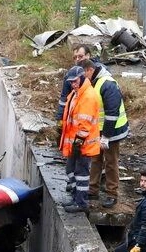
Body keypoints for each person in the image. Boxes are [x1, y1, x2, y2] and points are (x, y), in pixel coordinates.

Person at [84, 60, 128, 209]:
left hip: (112, 130)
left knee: (110, 162)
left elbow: (112, 113)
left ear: (90, 70)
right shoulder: (94, 82)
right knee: (95, 159)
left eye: (85, 74)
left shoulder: (107, 84)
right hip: (99, 129)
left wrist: (106, 137)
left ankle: (112, 194)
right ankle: (93, 190)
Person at [60, 60, 102, 213]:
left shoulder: (88, 97)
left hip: (83, 145)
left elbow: (84, 124)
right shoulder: (77, 94)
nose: (73, 84)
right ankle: (76, 197)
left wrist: (78, 143)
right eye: (71, 82)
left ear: (82, 78)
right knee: (71, 170)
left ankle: (81, 203)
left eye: (75, 81)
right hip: (76, 143)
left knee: (81, 174)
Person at [55, 44, 99, 122]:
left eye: (80, 56)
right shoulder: (70, 75)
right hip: (78, 119)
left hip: (96, 121)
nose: (77, 59)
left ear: (88, 55)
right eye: (75, 57)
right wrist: (60, 118)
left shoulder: (97, 72)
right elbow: (64, 98)